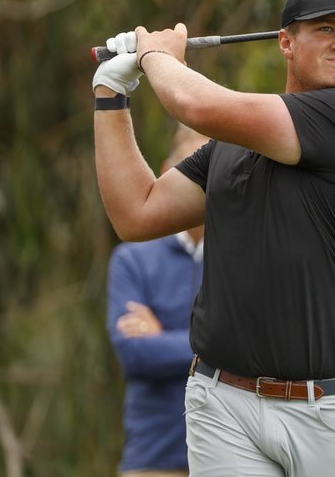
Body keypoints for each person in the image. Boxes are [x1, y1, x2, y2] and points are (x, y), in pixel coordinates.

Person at [91, 0, 335, 477]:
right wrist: (111, 92)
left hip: (334, 412)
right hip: (224, 406)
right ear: (286, 41)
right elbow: (137, 212)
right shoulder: (232, 146)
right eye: (326, 28)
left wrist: (156, 55)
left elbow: (195, 104)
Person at [107, 123, 210, 477]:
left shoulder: (244, 258)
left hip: (230, 458)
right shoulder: (132, 259)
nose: (203, 181)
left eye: (212, 169)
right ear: (167, 172)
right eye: (192, 167)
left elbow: (255, 347)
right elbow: (134, 354)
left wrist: (163, 338)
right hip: (153, 458)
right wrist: (215, 348)